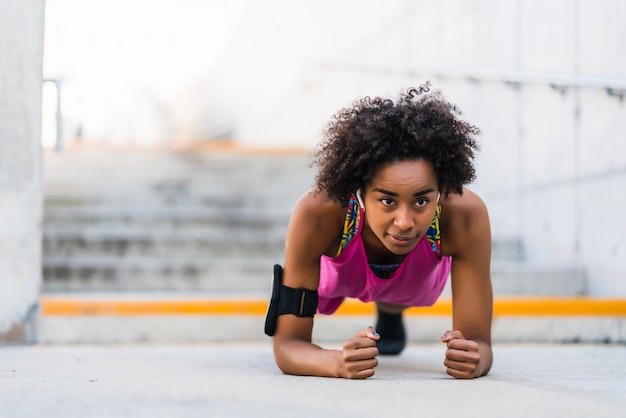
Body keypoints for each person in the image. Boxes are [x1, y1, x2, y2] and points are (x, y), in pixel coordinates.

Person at [264, 82, 493, 380]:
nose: (404, 222)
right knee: (338, 283)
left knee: (396, 291)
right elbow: (288, 345)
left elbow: (481, 343)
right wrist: (336, 363)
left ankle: (391, 312)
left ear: (441, 189)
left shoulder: (464, 215)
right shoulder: (319, 214)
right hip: (342, 274)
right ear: (360, 192)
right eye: (387, 200)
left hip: (415, 279)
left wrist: (476, 358)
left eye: (422, 200)